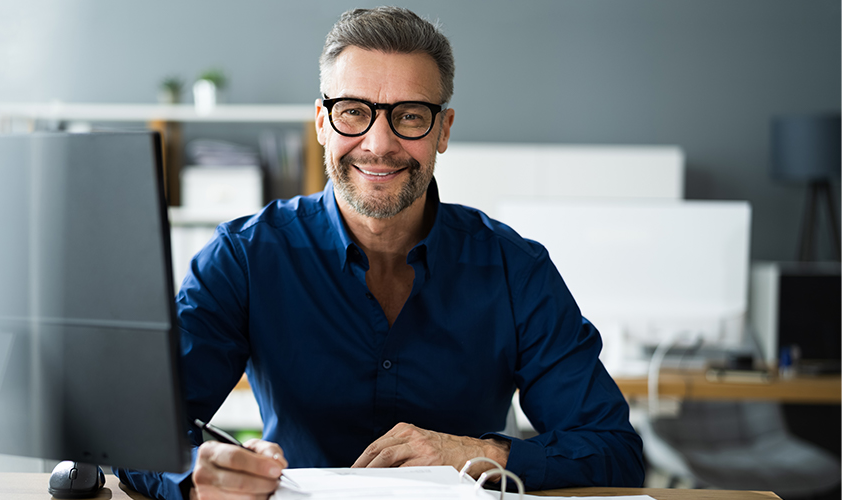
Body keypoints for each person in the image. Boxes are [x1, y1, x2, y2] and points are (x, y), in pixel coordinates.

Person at [117, 7, 644, 499]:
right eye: (353, 112)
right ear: (322, 122)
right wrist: (198, 476)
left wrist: (479, 453)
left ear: (442, 130)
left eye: (410, 116)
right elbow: (139, 436)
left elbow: (613, 449)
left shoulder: (515, 268)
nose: (378, 143)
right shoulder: (244, 257)